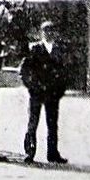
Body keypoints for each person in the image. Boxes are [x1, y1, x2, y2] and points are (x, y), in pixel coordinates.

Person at [20, 20, 68, 164]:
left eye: (51, 31)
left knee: (52, 124)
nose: (48, 34)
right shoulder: (34, 49)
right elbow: (23, 71)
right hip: (37, 92)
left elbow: (65, 71)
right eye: (45, 31)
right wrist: (31, 87)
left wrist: (60, 90)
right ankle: (30, 153)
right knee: (32, 123)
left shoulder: (60, 49)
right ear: (41, 33)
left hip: (52, 94)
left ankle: (52, 154)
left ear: (55, 33)